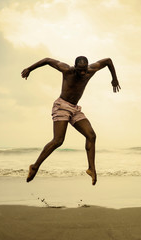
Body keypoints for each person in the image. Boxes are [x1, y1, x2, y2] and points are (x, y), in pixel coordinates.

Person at [21, 56, 121, 185]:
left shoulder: (91, 70)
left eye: (84, 69)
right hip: (62, 106)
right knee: (58, 140)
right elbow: (47, 60)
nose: (83, 73)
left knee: (91, 135)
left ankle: (91, 168)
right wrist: (30, 69)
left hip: (74, 109)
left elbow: (108, 61)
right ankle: (35, 166)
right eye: (80, 70)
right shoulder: (67, 70)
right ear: (75, 67)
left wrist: (114, 78)